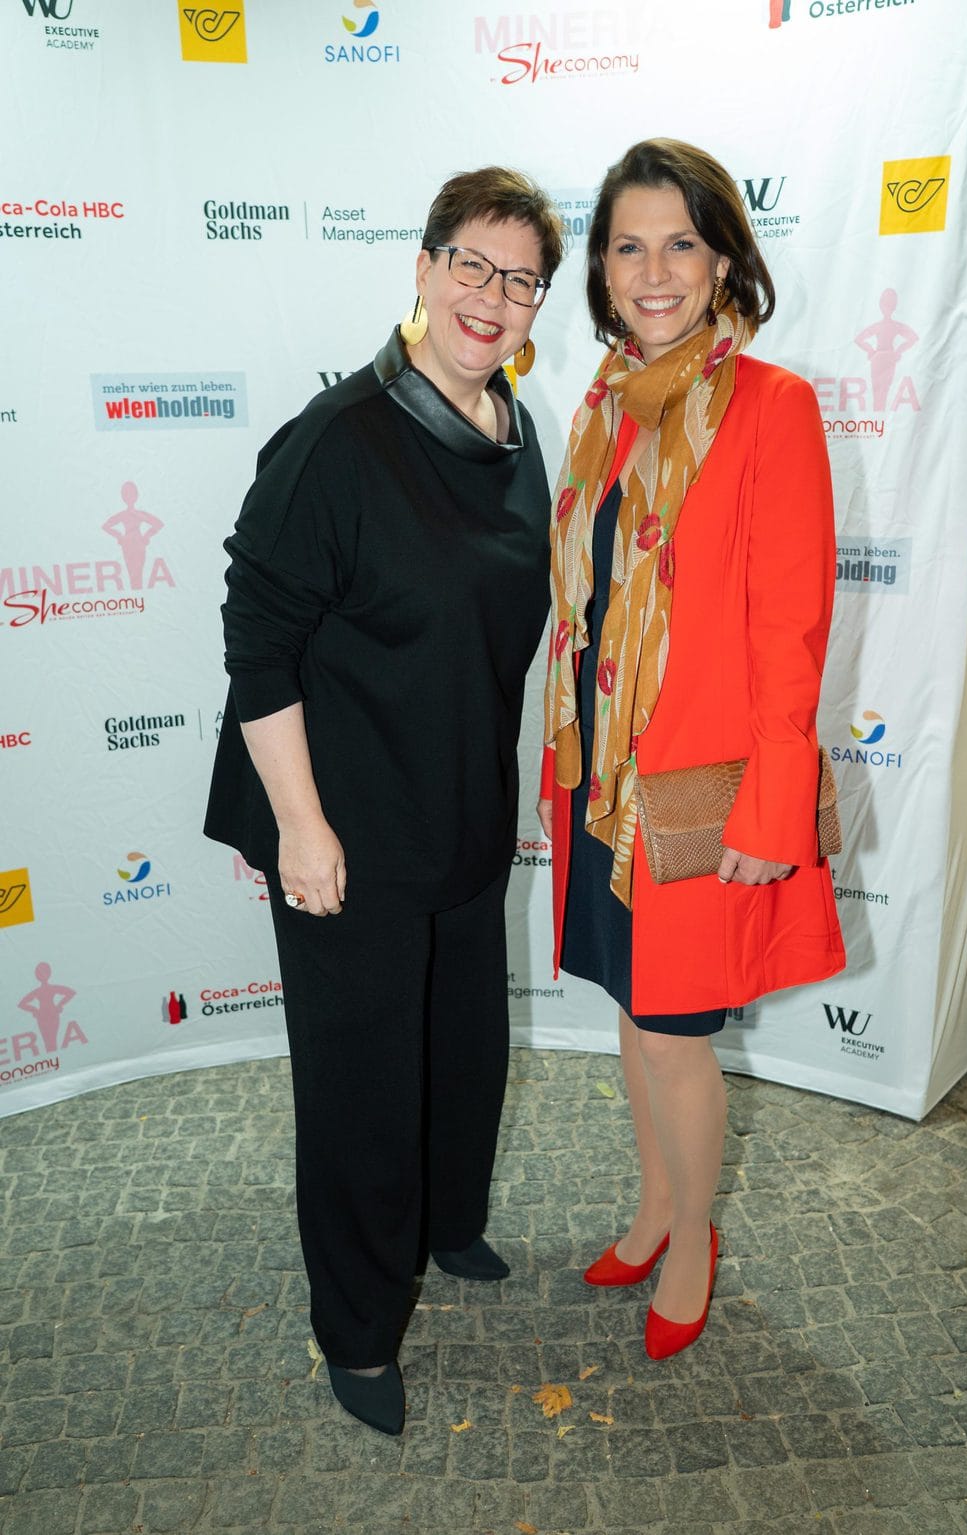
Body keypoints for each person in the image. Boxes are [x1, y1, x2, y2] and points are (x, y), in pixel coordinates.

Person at [205, 168, 565, 1435]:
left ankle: (445, 1221)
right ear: (421, 267)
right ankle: (358, 1327)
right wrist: (300, 826)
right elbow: (257, 646)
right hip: (344, 820)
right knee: (362, 1084)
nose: (491, 296)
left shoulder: (513, 428)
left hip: (457, 803)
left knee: (462, 1045)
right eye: (470, 263)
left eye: (520, 280)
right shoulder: (337, 441)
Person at [539, 139, 845, 1361]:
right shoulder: (603, 407)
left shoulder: (773, 406)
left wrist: (771, 807)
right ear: (603, 270)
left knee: (675, 1032)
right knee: (634, 1012)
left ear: (723, 261)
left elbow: (791, 628)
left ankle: (693, 1239)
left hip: (695, 795)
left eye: (681, 244)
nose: (653, 271)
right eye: (628, 246)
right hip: (604, 783)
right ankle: (657, 1204)